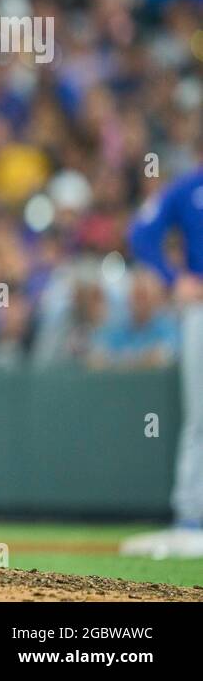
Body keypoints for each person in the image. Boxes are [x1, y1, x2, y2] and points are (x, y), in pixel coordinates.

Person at [120, 165, 203, 558]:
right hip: (201, 308)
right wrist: (174, 278)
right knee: (200, 415)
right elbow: (141, 232)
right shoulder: (189, 186)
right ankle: (192, 516)